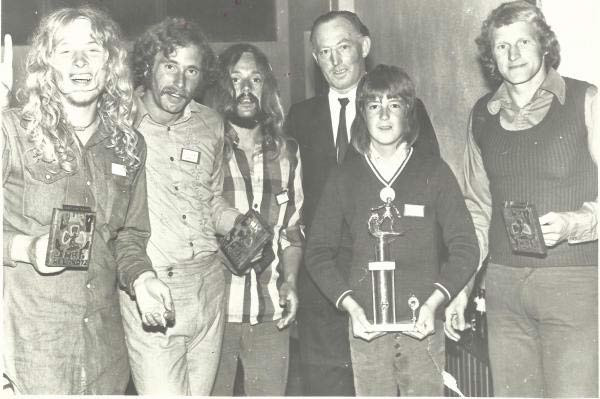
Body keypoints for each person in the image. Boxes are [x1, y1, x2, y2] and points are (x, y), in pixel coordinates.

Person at [1, 7, 173, 394]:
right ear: (47, 65)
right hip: (32, 356)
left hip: (104, 357)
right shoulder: (12, 132)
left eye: (92, 50)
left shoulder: (128, 146)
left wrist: (142, 277)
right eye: (64, 51)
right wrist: (26, 248)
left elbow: (129, 236)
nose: (80, 62)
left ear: (109, 63)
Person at [445, 1, 598, 397]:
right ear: (490, 56)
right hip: (503, 288)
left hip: (573, 283)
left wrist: (573, 223)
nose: (513, 54)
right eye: (501, 46)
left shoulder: (586, 101)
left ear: (545, 44)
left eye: (523, 42)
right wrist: (460, 288)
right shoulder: (481, 115)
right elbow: (477, 211)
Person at [285, 10, 440, 395]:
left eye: (343, 47)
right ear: (315, 59)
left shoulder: (405, 111)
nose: (335, 61)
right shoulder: (299, 118)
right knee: (326, 382)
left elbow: (429, 190)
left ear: (364, 47)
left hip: (383, 275)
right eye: (324, 52)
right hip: (321, 278)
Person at [305, 64, 479, 396]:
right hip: (366, 331)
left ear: (408, 114)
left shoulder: (434, 172)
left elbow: (466, 246)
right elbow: (317, 252)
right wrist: (351, 306)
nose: (384, 115)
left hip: (423, 330)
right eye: (374, 106)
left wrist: (434, 302)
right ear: (363, 114)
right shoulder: (345, 176)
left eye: (394, 105)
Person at [118, 17, 241, 395]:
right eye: (169, 66)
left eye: (191, 70)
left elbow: (210, 200)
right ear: (148, 66)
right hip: (153, 286)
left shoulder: (210, 124)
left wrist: (240, 223)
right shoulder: (118, 121)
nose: (179, 81)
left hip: (209, 284)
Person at [204, 43, 304, 396]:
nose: (246, 89)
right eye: (236, 79)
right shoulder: (206, 147)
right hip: (214, 317)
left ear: (267, 88)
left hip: (269, 314)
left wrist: (290, 281)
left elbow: (292, 232)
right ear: (222, 88)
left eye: (255, 79)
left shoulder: (287, 153)